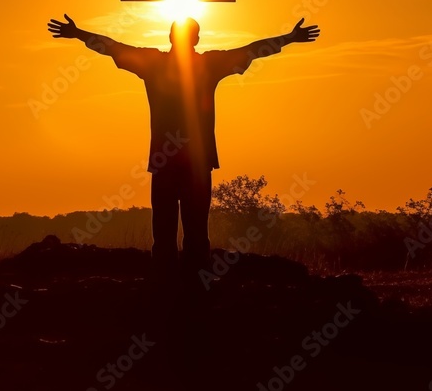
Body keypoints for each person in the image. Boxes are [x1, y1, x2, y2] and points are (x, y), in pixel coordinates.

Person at [46, 14, 319, 280]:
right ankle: (190, 281)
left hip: (170, 160)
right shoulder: (206, 64)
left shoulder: (156, 63)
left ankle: (170, 280)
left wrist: (78, 33)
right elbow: (252, 50)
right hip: (190, 162)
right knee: (191, 228)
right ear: (196, 39)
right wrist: (289, 38)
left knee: (170, 228)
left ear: (171, 37)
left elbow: (112, 47)